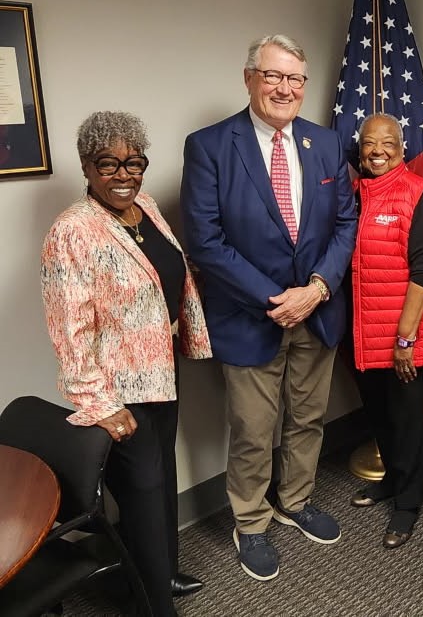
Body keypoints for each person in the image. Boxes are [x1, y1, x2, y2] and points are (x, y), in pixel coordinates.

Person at [180, 34, 356, 582]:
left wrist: (319, 288)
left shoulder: (326, 145)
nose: (285, 88)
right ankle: (251, 522)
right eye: (274, 76)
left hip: (318, 309)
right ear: (250, 77)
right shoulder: (210, 145)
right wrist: (274, 299)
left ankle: (296, 500)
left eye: (295, 79)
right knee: (254, 428)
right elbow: (205, 241)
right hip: (250, 315)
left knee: (308, 417)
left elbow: (345, 223)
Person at [40, 111, 212, 617]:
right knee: (141, 492)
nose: (124, 174)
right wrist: (99, 403)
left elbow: (168, 275)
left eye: (133, 162)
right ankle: (153, 604)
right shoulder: (73, 231)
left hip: (160, 372)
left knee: (161, 478)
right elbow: (68, 327)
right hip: (119, 391)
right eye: (108, 164)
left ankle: (165, 573)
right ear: (87, 168)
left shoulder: (149, 208)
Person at [348, 113, 423, 548]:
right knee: (380, 417)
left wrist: (405, 340)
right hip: (363, 334)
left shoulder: (417, 193)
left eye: (387, 143)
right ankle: (391, 482)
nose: (377, 152)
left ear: (402, 147)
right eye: (369, 144)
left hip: (406, 337)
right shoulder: (353, 194)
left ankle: (408, 506)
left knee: (408, 423)